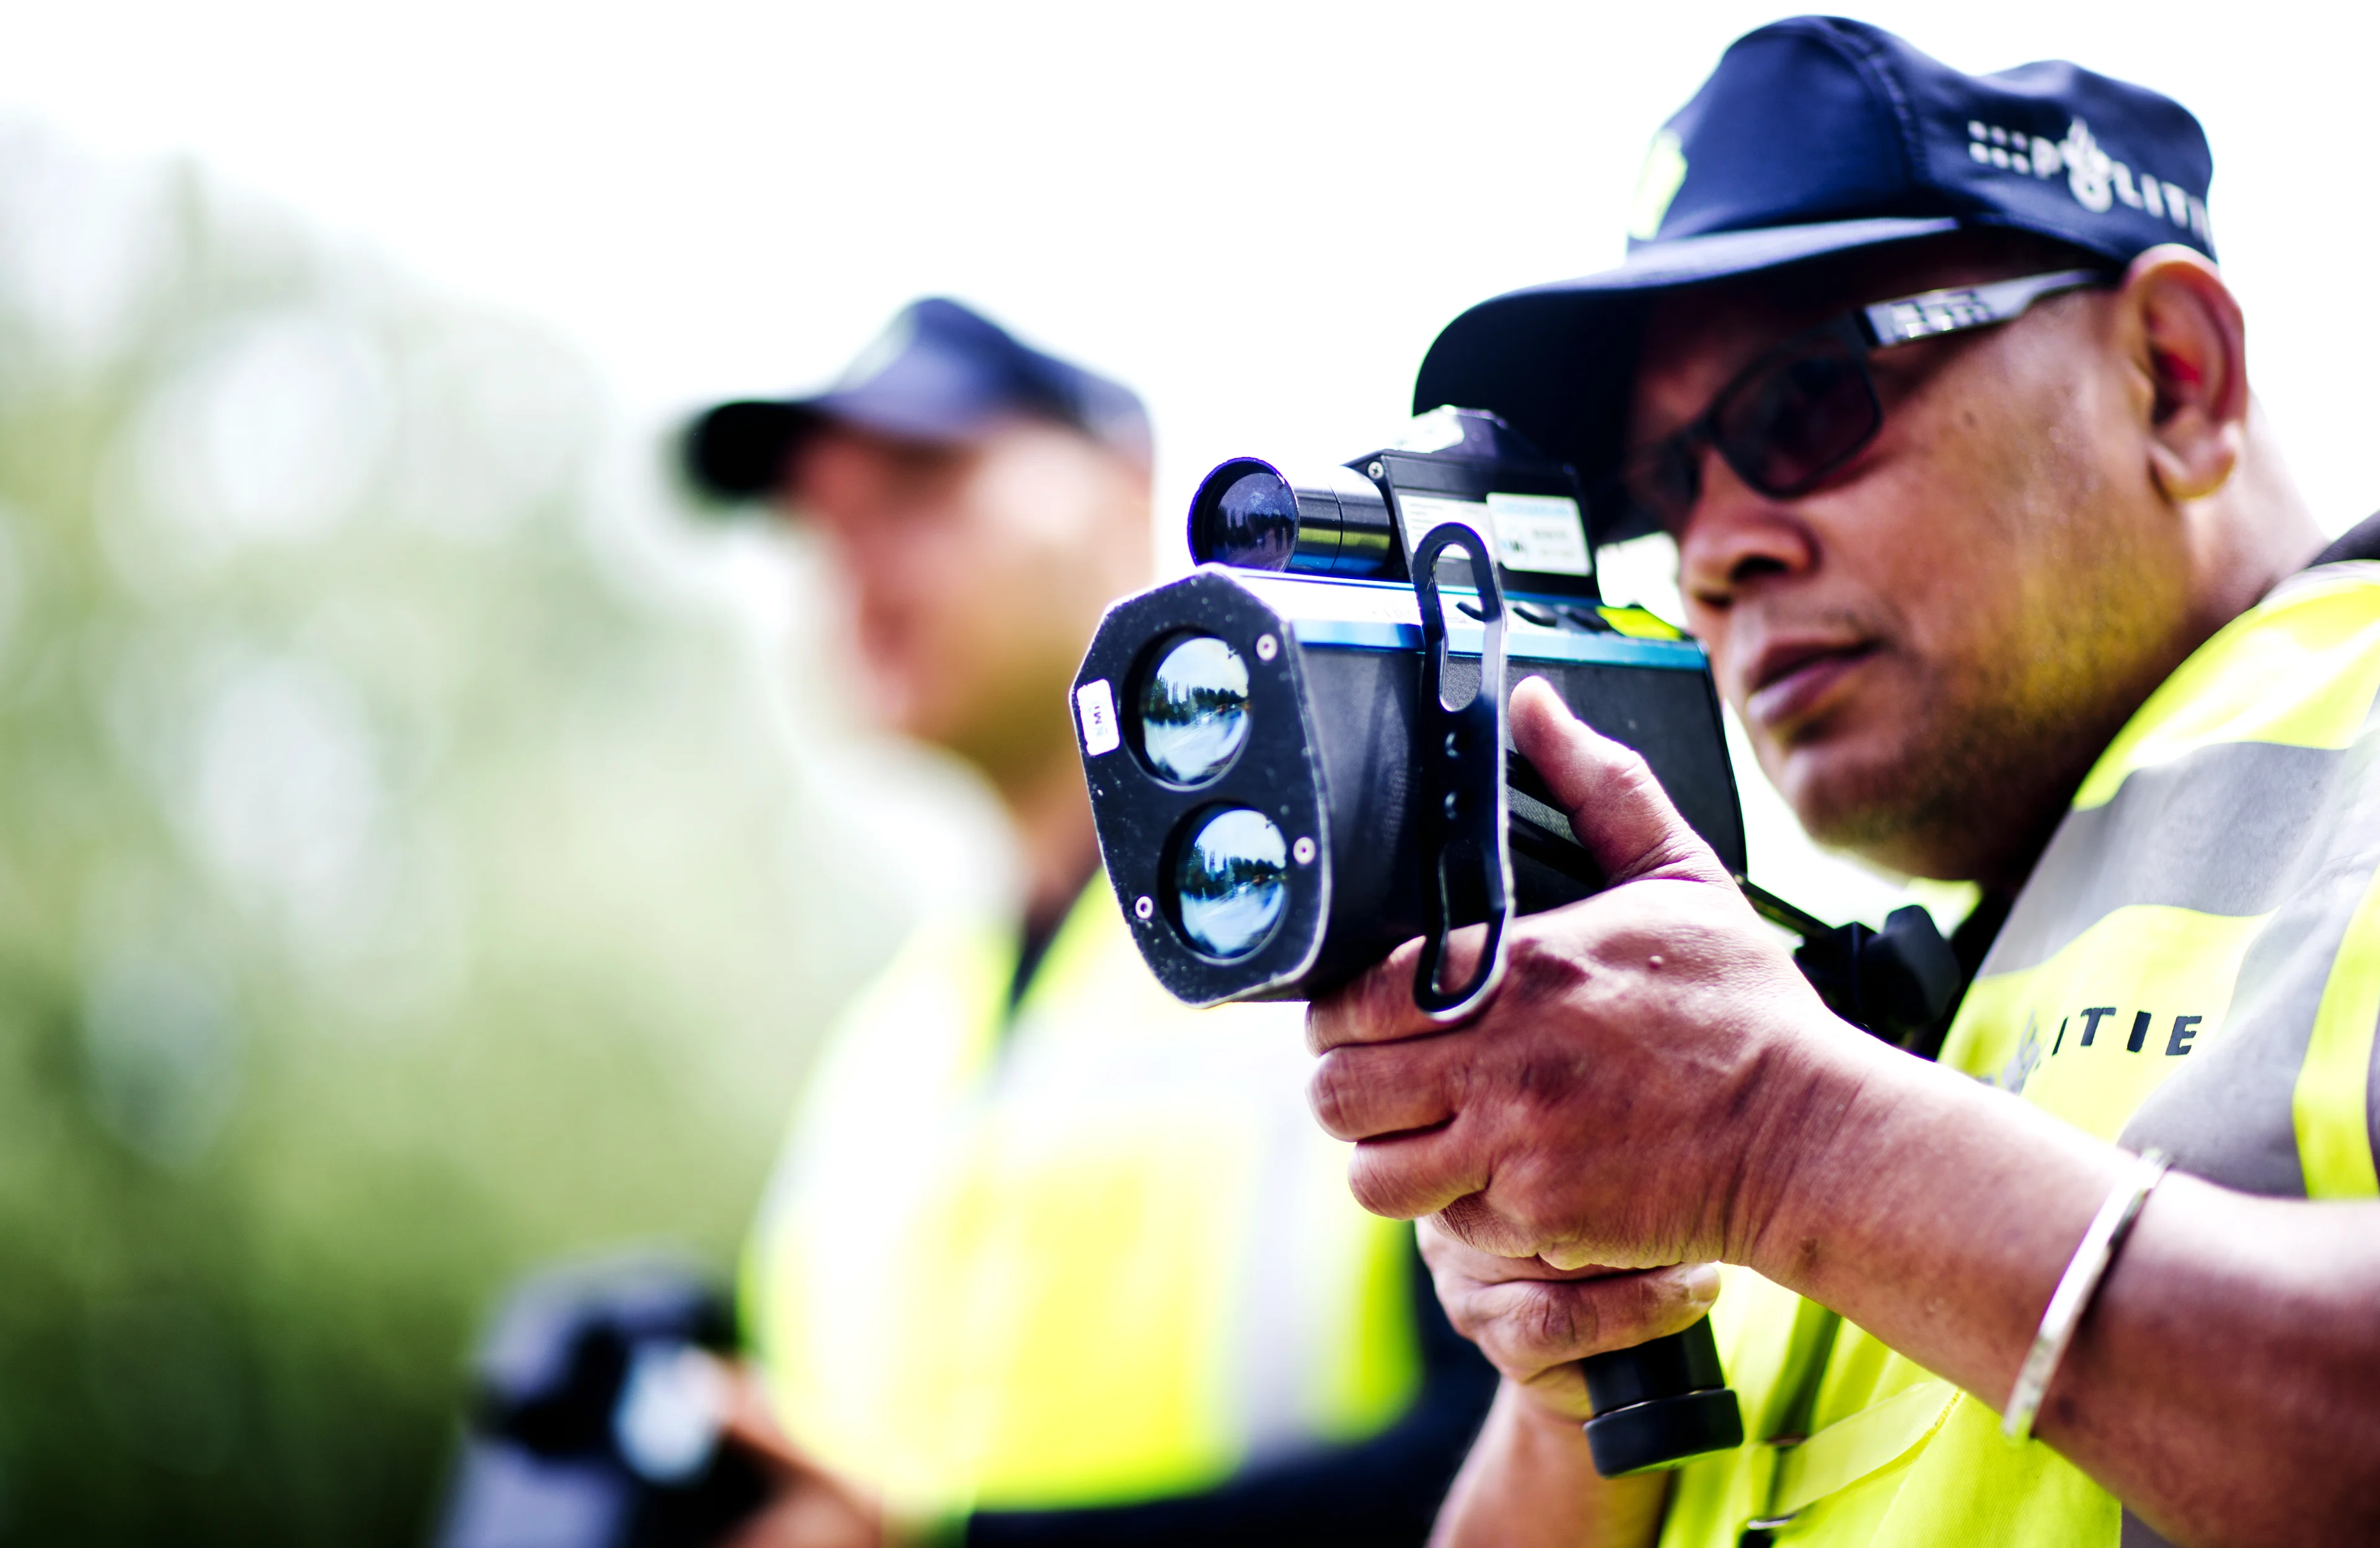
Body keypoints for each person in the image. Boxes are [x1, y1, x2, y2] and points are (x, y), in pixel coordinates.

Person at [1302, 18, 2380, 1548]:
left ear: (2175, 378)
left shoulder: (1787, 1103)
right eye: (1664, 491)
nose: (1713, 553)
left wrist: (1789, 1143)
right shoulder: (1822, 1029)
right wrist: (1566, 1381)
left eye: (1804, 406)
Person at [681, 298, 1495, 1546]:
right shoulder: (880, 1056)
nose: (855, 559)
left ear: (1128, 486)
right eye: (821, 524)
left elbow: (1533, 1450)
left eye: (917, 483)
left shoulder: (1381, 923)